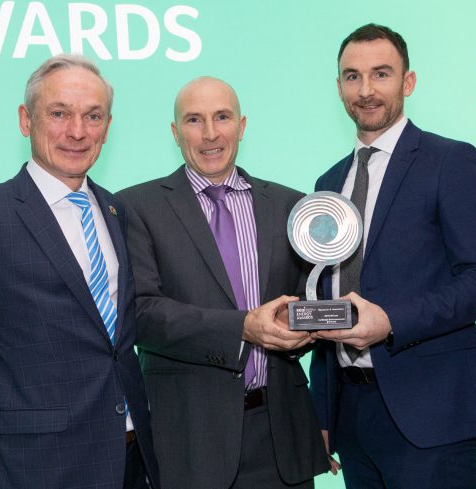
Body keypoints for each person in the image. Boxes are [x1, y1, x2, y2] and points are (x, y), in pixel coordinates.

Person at [0, 54, 158, 489]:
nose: (77, 131)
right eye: (59, 113)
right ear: (26, 120)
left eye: (92, 116)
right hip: (34, 470)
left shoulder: (116, 211)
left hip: (130, 463)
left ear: (108, 127)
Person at [115, 77, 330, 489]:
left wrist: (314, 324)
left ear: (242, 125)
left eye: (222, 117)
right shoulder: (136, 207)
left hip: (281, 439)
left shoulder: (290, 205)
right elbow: (139, 313)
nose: (210, 133)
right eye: (194, 120)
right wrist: (243, 328)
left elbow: (313, 301)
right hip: (189, 443)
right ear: (175, 133)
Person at [309, 24, 476, 489]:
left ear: (408, 82)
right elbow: (326, 297)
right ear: (338, 88)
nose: (366, 90)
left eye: (381, 74)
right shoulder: (327, 184)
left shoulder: (450, 161)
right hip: (351, 418)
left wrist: (391, 320)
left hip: (429, 418)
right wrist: (321, 413)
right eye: (352, 77)